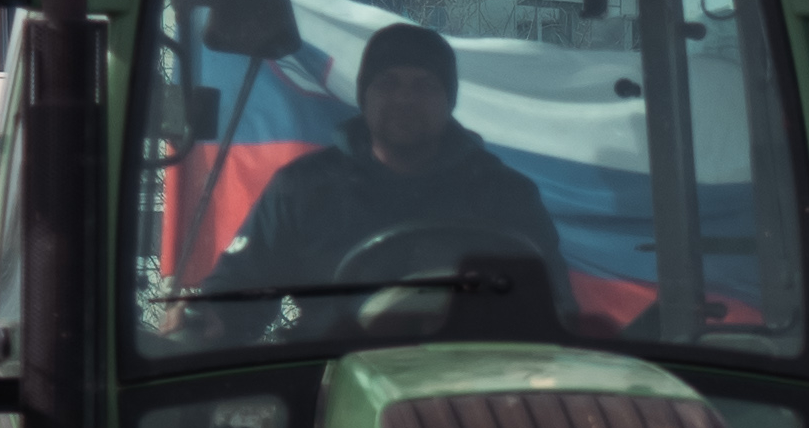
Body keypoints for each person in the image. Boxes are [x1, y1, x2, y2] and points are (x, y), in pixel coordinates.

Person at [216, 21, 563, 294]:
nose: (404, 99)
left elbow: (550, 306)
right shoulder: (301, 188)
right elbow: (239, 292)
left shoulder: (504, 195)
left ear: (449, 101)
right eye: (388, 83)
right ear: (364, 96)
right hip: (327, 370)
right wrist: (209, 317)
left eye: (424, 85)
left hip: (461, 375)